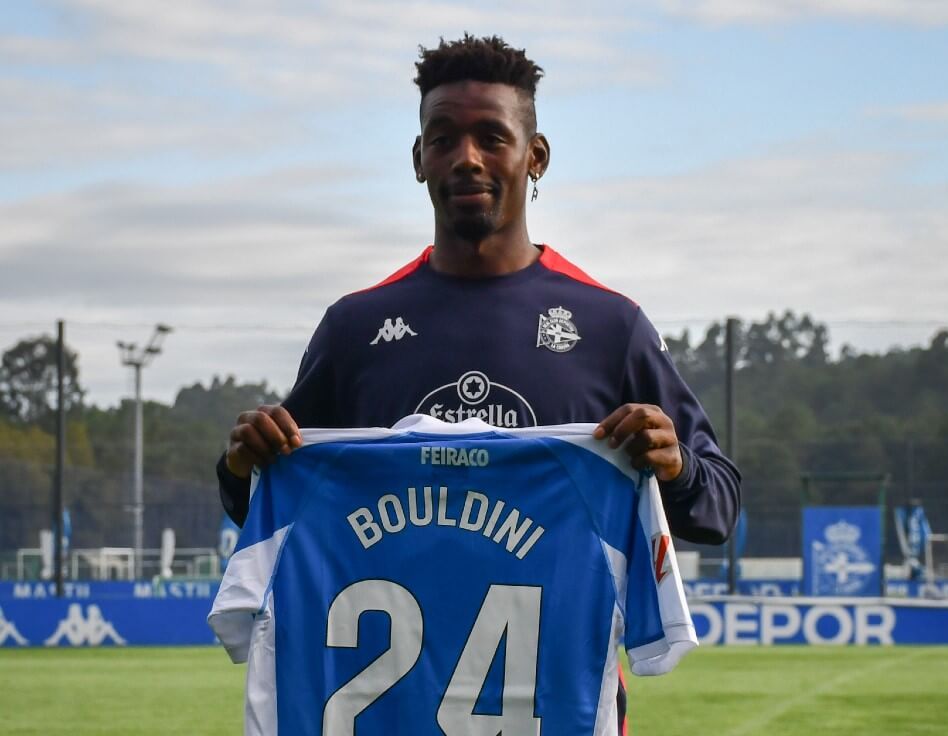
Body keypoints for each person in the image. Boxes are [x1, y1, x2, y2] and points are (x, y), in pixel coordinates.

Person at [216, 33, 740, 734]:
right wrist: (240, 462)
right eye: (444, 138)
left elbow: (717, 508)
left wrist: (672, 467)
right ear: (417, 159)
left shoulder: (609, 325)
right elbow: (272, 497)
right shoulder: (357, 327)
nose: (467, 158)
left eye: (492, 137)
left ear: (536, 156)